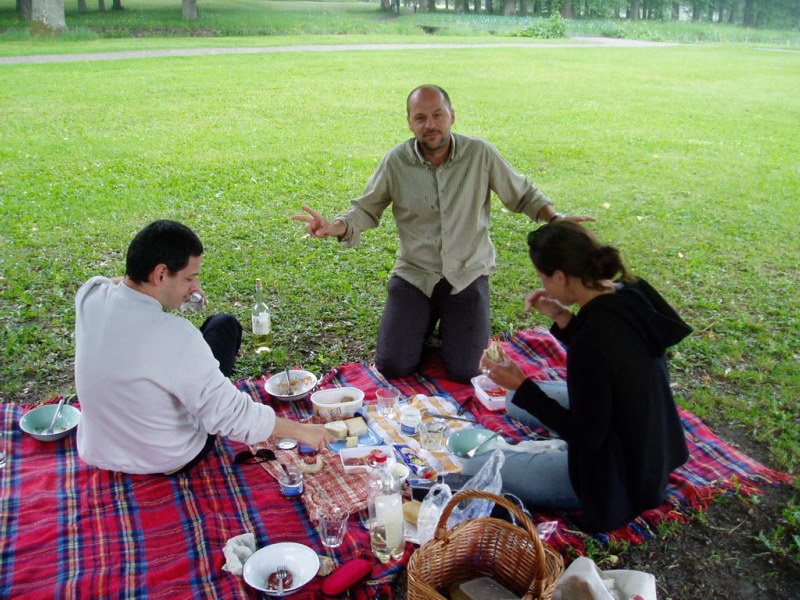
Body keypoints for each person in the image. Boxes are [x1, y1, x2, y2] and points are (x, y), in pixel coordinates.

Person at [293, 84, 592, 383]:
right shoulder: (396, 161)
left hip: (468, 273)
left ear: (452, 116)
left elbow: (523, 194)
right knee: (393, 366)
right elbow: (366, 209)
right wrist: (335, 227)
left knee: (467, 369)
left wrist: (555, 218)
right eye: (420, 118)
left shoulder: (480, 153)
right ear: (410, 123)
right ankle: (421, 328)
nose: (430, 124)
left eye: (438, 115)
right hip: (415, 275)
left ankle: (440, 332)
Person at [468, 221, 691, 533]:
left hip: (620, 477)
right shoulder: (630, 291)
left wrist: (522, 384)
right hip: (655, 444)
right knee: (514, 401)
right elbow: (614, 355)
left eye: (543, 278)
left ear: (560, 277)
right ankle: (548, 441)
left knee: (476, 466)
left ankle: (559, 459)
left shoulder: (591, 342)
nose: (543, 285)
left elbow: (587, 434)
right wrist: (562, 316)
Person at [74, 220, 334, 475]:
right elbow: (232, 416)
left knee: (222, 325)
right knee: (223, 335)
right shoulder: (175, 335)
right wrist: (304, 431)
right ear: (161, 274)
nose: (195, 287)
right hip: (166, 457)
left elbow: (118, 284)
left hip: (101, 452)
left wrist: (175, 288)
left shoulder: (90, 295)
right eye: (190, 278)